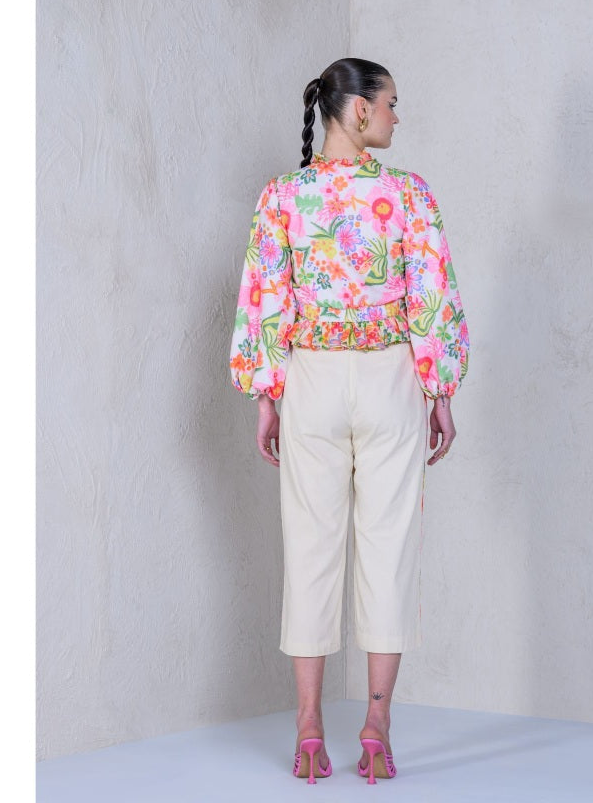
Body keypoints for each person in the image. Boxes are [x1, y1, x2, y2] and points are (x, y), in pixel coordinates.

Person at [229, 57, 469, 784]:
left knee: (309, 547)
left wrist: (266, 395)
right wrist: (440, 391)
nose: (397, 116)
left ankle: (308, 728)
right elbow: (430, 295)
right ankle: (376, 725)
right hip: (391, 376)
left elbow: (266, 297)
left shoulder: (283, 196)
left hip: (311, 378)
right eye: (391, 103)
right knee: (390, 547)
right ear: (359, 110)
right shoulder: (408, 194)